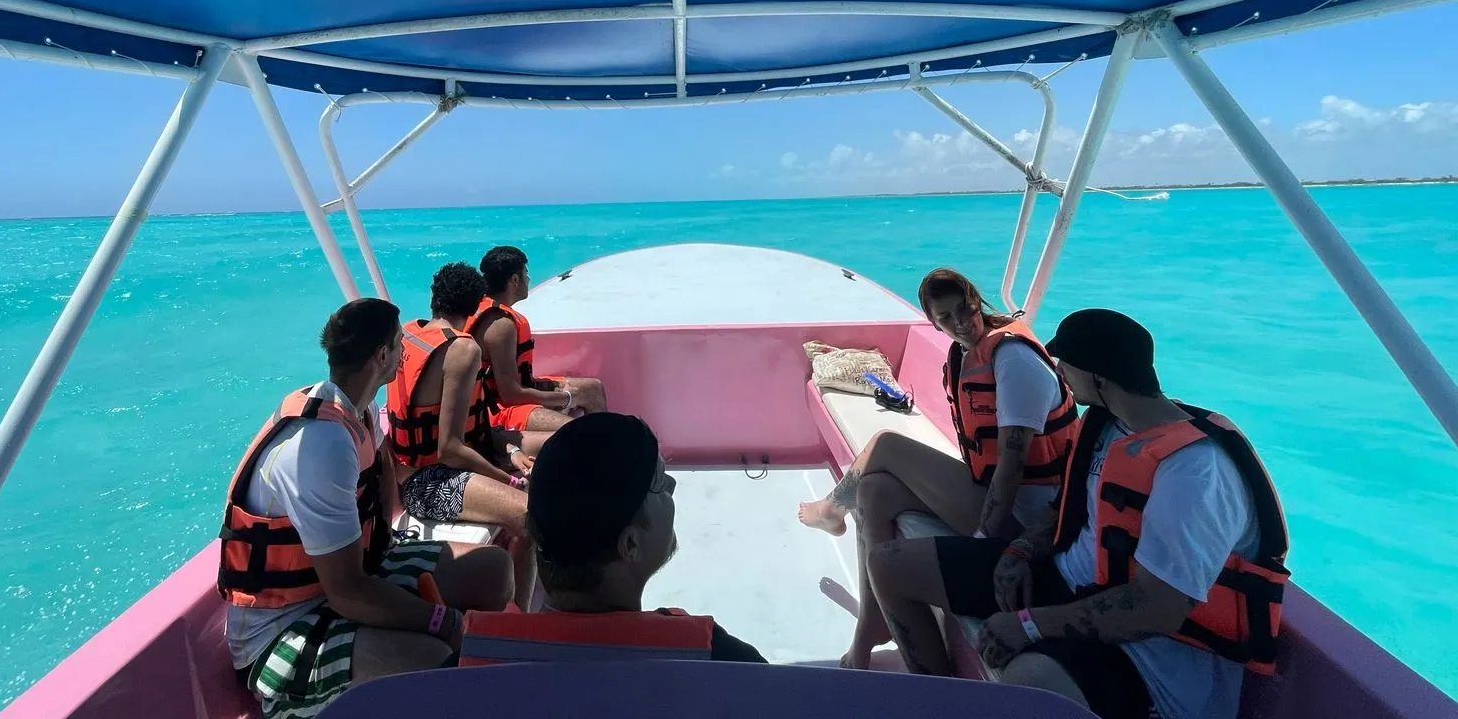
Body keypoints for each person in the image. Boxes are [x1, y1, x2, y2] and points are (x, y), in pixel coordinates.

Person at [866, 308, 1289, 719]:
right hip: (1065, 581)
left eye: (1066, 363)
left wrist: (1030, 625)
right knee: (890, 565)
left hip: (1151, 654)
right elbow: (1066, 510)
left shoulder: (1194, 471)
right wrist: (1021, 550)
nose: (1059, 370)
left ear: (1098, 377)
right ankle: (939, 703)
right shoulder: (1107, 423)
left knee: (1029, 679)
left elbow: (1156, 608)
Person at [220, 297, 514, 719]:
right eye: (400, 345)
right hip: (283, 628)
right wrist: (441, 620)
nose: (405, 354)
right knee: (433, 657)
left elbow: (380, 480)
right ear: (382, 355)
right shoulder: (320, 445)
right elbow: (347, 592)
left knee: (494, 570)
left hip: (355, 576)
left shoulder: (359, 410)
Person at [799, 267, 1079, 668]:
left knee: (886, 445)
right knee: (875, 491)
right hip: (993, 495)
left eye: (965, 309)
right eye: (946, 318)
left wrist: (981, 542)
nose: (961, 323)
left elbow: (1013, 465)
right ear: (932, 322)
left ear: (976, 300)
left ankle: (830, 510)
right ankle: (877, 627)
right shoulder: (966, 351)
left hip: (1032, 519)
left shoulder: (1014, 360)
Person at [458, 412, 769, 665]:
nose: (673, 487)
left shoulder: (470, 657)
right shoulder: (717, 658)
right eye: (660, 484)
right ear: (629, 544)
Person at [387, 262, 538, 608]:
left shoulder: (410, 334)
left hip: (413, 472)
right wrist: (507, 480)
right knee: (532, 517)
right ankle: (520, 621)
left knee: (533, 472)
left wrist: (510, 454)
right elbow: (451, 449)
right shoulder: (462, 350)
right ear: (475, 307)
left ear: (434, 299)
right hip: (428, 483)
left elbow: (468, 430)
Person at [465, 245, 607, 437]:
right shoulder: (500, 325)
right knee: (579, 430)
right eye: (526, 273)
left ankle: (606, 452)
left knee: (593, 389)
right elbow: (510, 396)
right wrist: (566, 398)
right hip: (494, 411)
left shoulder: (491, 311)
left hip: (512, 394)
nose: (529, 279)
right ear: (515, 280)